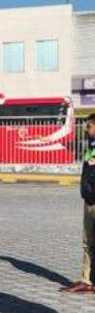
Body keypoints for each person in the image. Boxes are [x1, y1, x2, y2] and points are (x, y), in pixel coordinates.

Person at [66, 114, 95, 294]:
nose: (87, 128)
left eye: (90, 125)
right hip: (89, 200)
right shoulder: (90, 147)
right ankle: (87, 279)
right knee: (87, 242)